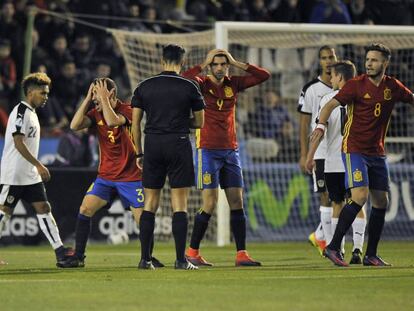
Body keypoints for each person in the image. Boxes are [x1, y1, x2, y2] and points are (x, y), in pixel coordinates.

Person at [310, 43, 414, 266]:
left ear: (385, 63)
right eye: (367, 59)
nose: (369, 63)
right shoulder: (356, 85)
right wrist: (320, 125)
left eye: (374, 60)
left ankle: (371, 254)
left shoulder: (392, 86)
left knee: (381, 201)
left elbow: (411, 98)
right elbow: (329, 106)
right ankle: (333, 247)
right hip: (354, 149)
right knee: (359, 196)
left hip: (377, 152)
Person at [57, 78, 163, 268]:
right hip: (105, 177)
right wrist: (88, 99)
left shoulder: (129, 110)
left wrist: (104, 99)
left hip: (131, 177)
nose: (95, 101)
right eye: (94, 97)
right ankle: (79, 257)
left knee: (142, 219)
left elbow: (114, 121)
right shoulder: (95, 112)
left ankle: (147, 257)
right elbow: (74, 125)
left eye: (97, 96)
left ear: (111, 94)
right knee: (85, 209)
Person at [182, 48, 270, 267]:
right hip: (207, 151)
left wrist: (236, 62)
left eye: (223, 64)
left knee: (237, 201)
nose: (220, 67)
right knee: (210, 203)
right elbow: (183, 79)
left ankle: (241, 254)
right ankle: (192, 252)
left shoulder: (234, 84)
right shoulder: (201, 84)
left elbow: (264, 76)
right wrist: (203, 63)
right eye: (216, 64)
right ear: (210, 67)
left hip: (231, 151)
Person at [131, 44, 205, 270]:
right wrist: (182, 123)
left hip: (152, 144)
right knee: (179, 204)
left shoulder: (145, 86)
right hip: (178, 143)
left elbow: (135, 124)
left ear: (161, 60)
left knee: (150, 203)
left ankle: (145, 259)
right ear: (182, 62)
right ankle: (181, 260)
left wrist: (139, 152)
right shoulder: (189, 86)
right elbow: (200, 122)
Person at [0, 72, 73, 267]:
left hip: (30, 175)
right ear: (30, 92)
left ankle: (60, 252)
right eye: (42, 93)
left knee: (44, 208)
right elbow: (18, 142)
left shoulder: (32, 113)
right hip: (14, 173)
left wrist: (34, 168)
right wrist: (39, 165)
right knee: (4, 212)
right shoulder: (20, 111)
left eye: (47, 93)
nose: (46, 97)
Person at [305, 60, 366, 264]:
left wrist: (310, 155)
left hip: (333, 161)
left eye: (332, 75)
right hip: (356, 159)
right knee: (358, 204)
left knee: (337, 204)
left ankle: (336, 249)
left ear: (340, 77)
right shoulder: (362, 98)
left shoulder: (328, 99)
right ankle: (357, 249)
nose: (330, 79)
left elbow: (318, 132)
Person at [298, 45, 337, 256]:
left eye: (331, 56)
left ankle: (321, 235)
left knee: (341, 197)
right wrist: (304, 153)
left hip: (341, 150)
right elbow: (304, 124)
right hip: (320, 150)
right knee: (325, 196)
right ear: (319, 61)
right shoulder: (311, 88)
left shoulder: (347, 85)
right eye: (324, 58)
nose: (328, 61)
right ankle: (328, 244)